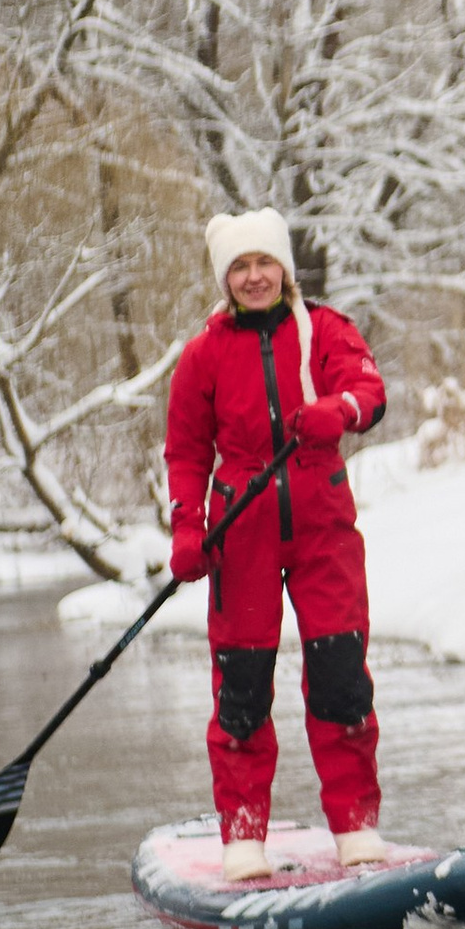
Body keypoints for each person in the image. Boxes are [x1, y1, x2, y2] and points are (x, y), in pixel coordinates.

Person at [165, 210, 388, 876]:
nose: (254, 275)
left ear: (284, 269)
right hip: (242, 537)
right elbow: (184, 451)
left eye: (264, 262)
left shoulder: (324, 329)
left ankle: (355, 826)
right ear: (225, 279)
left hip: (324, 532)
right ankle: (242, 836)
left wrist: (336, 412)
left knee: (342, 680)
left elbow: (369, 392)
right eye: (240, 266)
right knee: (242, 691)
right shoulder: (204, 353)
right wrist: (187, 528)